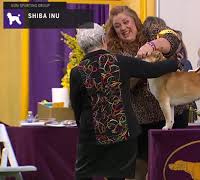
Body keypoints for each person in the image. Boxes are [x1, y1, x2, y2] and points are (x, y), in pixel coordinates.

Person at [70, 23, 180, 180]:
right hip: (123, 132)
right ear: (104, 40)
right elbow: (153, 71)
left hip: (92, 134)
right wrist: (177, 64)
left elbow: (76, 105)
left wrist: (82, 125)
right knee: (118, 176)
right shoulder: (120, 61)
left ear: (81, 47)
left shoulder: (77, 72)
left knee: (84, 175)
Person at [104, 6, 183, 180]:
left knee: (173, 165)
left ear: (135, 21)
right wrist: (142, 66)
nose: (123, 28)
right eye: (118, 26)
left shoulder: (151, 28)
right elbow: (123, 85)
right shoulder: (114, 52)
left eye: (126, 22)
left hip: (173, 113)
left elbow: (172, 39)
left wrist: (152, 45)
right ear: (114, 31)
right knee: (139, 167)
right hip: (142, 118)